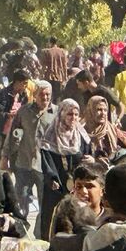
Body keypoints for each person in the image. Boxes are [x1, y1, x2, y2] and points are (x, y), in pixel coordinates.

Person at [1, 82, 55, 232]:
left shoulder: (56, 113)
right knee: (20, 201)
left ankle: (40, 234)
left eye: (48, 95)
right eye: (42, 94)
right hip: (24, 164)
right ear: (35, 95)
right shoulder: (24, 112)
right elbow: (12, 135)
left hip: (45, 167)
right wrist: (5, 156)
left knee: (45, 205)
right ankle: (21, 232)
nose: (45, 98)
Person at [39, 99, 91, 240]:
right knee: (53, 217)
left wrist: (90, 160)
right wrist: (51, 178)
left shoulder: (81, 135)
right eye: (69, 114)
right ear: (61, 114)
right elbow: (46, 159)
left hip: (77, 186)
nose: (73, 118)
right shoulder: (51, 135)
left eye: (76, 114)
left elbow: (88, 155)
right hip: (57, 186)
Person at [83, 95, 126, 161]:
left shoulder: (112, 130)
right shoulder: (82, 132)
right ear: (90, 110)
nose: (103, 113)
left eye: (105, 110)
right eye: (99, 109)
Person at [0, 70, 32, 151]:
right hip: (3, 131)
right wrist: (8, 115)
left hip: (17, 131)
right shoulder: (3, 94)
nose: (26, 86)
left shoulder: (24, 95)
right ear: (17, 82)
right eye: (24, 83)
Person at [40, 36, 68, 102]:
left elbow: (44, 66)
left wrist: (41, 76)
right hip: (59, 77)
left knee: (48, 96)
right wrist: (65, 78)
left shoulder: (47, 52)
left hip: (49, 76)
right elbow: (64, 66)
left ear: (50, 42)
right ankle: (56, 110)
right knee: (57, 97)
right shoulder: (62, 52)